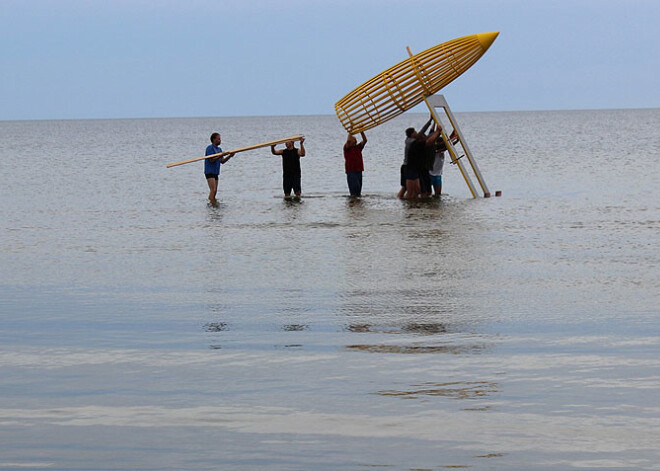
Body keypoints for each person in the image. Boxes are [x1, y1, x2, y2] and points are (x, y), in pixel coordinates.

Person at [398, 117, 433, 198]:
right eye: (415, 132)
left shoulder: (409, 140)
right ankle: (406, 204)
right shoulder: (411, 142)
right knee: (408, 189)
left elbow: (421, 133)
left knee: (412, 189)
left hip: (410, 167)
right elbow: (422, 133)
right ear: (412, 134)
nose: (416, 132)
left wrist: (430, 122)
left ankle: (408, 203)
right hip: (408, 166)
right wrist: (430, 123)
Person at [405, 126, 441, 199]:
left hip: (418, 169)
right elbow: (429, 141)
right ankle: (410, 205)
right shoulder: (416, 144)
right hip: (412, 169)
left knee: (419, 190)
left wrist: (435, 128)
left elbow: (430, 138)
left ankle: (415, 205)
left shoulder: (416, 143)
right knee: (414, 191)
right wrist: (437, 132)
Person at [204, 132, 234, 206]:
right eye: (218, 139)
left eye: (220, 139)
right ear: (214, 140)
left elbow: (222, 161)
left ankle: (213, 203)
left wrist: (229, 156)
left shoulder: (219, 149)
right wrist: (220, 155)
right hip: (209, 171)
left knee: (215, 191)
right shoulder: (210, 148)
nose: (220, 140)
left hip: (216, 172)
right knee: (213, 190)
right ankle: (211, 203)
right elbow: (211, 160)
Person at [430, 129, 459, 197]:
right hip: (430, 174)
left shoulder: (442, 150)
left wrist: (456, 140)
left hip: (438, 174)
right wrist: (454, 139)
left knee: (438, 194)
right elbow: (445, 147)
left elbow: (448, 146)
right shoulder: (434, 150)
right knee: (426, 193)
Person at [343, 131, 367, 197]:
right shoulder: (347, 148)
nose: (355, 140)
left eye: (355, 139)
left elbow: (365, 140)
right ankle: (353, 204)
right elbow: (348, 141)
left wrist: (361, 132)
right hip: (351, 172)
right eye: (353, 139)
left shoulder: (358, 147)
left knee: (358, 192)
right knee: (354, 192)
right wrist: (351, 131)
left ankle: (357, 203)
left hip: (359, 171)